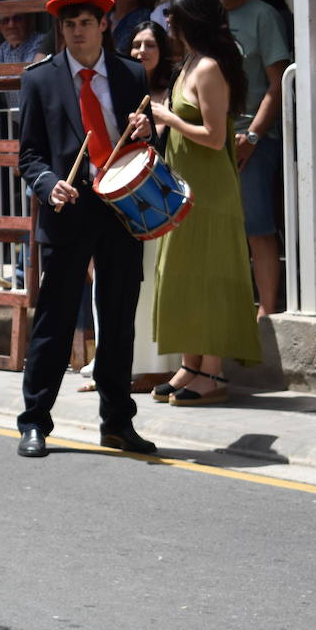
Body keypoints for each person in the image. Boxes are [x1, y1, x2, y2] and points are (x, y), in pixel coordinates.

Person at [14, 0, 158, 458]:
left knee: (118, 319)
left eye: (85, 22)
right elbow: (29, 154)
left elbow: (146, 145)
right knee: (54, 321)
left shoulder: (131, 73)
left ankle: (117, 422)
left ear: (102, 27)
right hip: (68, 208)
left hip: (120, 210)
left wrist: (144, 132)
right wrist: (49, 183)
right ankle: (35, 421)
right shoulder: (40, 79)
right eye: (68, 23)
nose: (76, 31)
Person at [145, 0, 262, 404]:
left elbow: (215, 138)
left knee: (209, 274)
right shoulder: (191, 61)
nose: (169, 24)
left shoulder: (210, 66)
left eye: (174, 16)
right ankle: (190, 363)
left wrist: (167, 118)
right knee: (182, 274)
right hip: (185, 188)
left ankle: (212, 371)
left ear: (191, 19)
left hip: (209, 192)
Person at [206, 0, 292, 318]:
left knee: (257, 227)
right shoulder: (208, 20)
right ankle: (234, 308)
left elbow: (279, 84)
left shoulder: (263, 16)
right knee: (221, 233)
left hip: (252, 140)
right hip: (212, 138)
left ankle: (267, 311)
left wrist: (253, 137)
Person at [122, 20, 179, 391]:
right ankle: (131, 365)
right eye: (136, 45)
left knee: (160, 281)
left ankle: (161, 367)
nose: (142, 52)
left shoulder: (173, 89)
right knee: (134, 286)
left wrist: (154, 125)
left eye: (150, 45)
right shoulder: (124, 87)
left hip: (162, 194)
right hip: (128, 196)